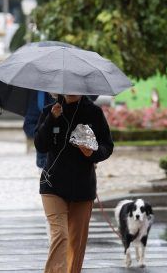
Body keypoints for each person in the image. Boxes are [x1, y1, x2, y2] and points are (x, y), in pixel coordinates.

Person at [34, 94, 113, 273]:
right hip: (52, 184)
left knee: (76, 244)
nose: (71, 90)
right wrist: (51, 119)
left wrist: (92, 153)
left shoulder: (94, 112)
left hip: (82, 187)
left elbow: (107, 146)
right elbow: (40, 145)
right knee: (60, 236)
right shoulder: (50, 110)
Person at [23, 91, 53, 168]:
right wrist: (42, 134)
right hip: (45, 161)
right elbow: (28, 125)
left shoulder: (82, 96)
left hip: (74, 162)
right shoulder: (41, 96)